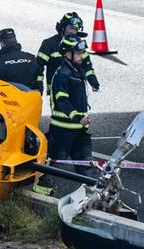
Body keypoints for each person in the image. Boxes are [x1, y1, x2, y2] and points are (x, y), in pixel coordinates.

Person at [33, 35, 97, 196]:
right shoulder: (62, 74)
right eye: (78, 53)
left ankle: (91, 196)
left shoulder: (76, 72)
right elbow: (62, 100)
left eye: (82, 53)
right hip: (63, 131)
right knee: (53, 165)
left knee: (85, 166)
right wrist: (77, 117)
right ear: (67, 53)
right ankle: (41, 196)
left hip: (80, 130)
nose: (81, 56)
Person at [36, 12, 98, 94]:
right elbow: (38, 68)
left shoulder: (78, 44)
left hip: (76, 87)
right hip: (56, 89)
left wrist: (93, 82)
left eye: (76, 29)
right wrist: (38, 87)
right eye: (71, 28)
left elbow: (87, 66)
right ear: (63, 27)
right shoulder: (49, 44)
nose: (73, 32)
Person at [0, 28, 42, 92]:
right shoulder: (31, 58)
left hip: (8, 99)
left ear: (3, 43)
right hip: (30, 98)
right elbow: (39, 77)